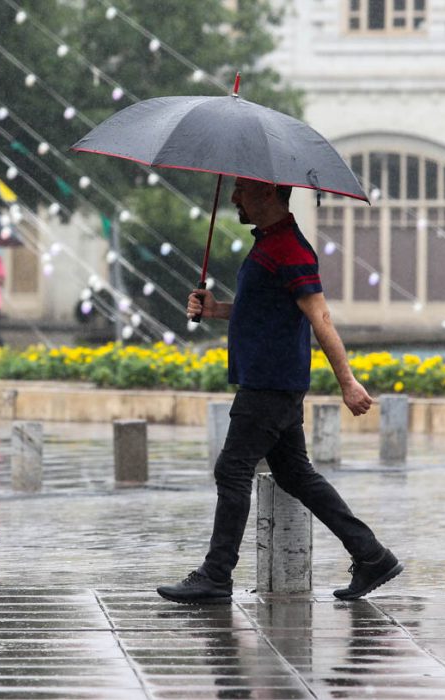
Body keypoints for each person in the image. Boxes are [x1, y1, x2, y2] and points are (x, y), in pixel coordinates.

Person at [157, 177, 402, 605]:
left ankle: (216, 575)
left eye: (242, 190)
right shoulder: (270, 243)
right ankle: (372, 556)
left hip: (269, 384)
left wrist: (348, 382)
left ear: (268, 193)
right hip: (273, 380)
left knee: (232, 469)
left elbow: (320, 316)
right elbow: (266, 308)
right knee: (294, 474)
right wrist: (217, 310)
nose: (234, 197)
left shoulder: (290, 249)